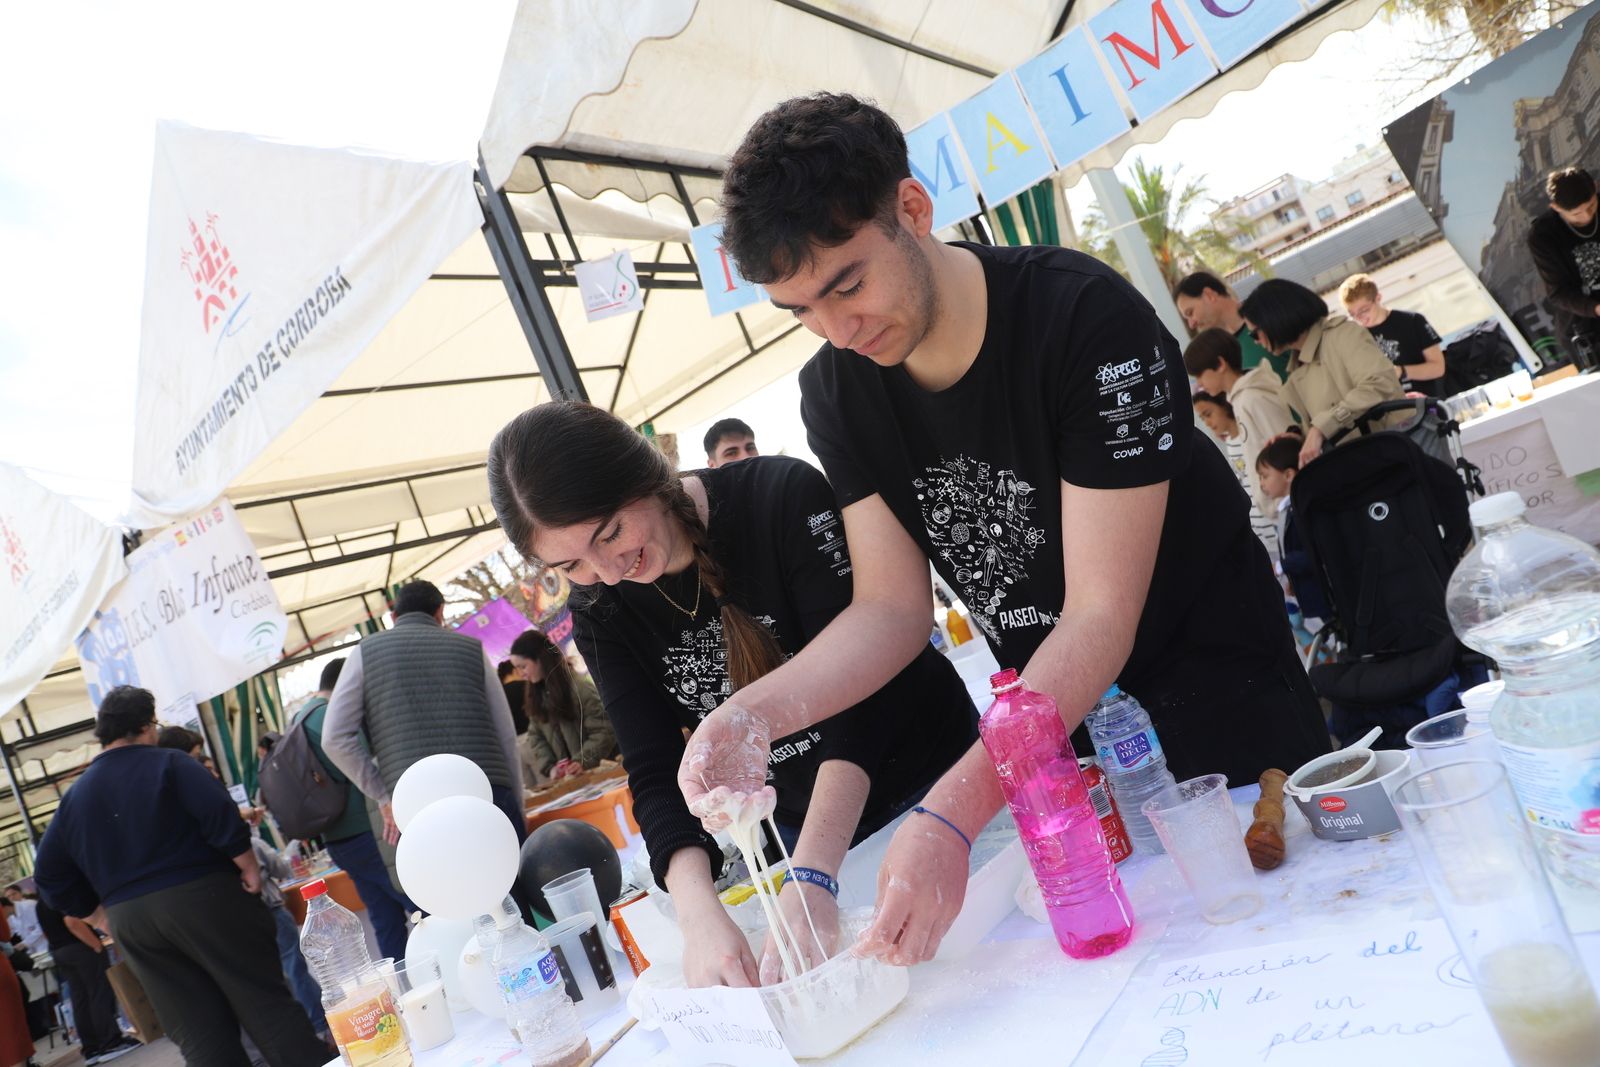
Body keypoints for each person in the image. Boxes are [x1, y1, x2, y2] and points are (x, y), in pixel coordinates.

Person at [676, 92, 1330, 966]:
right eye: (800, 311)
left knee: (1295, 945)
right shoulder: (835, 391)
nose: (838, 330)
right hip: (1064, 752)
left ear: (913, 209)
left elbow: (1099, 614)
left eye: (848, 285)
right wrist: (746, 714)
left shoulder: (1084, 319)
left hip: (1225, 713)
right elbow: (889, 611)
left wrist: (952, 811)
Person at [487, 402, 978, 985]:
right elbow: (653, 766)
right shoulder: (599, 608)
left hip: (937, 786)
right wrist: (698, 915)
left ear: (646, 476)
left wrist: (813, 872)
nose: (609, 573)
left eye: (612, 533)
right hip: (801, 833)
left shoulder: (779, 495)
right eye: (572, 564)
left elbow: (865, 697)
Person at [33, 686, 328, 1067]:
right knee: (265, 1006)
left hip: (130, 920)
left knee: (199, 1033)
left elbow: (49, 874)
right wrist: (249, 867)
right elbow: (219, 813)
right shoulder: (170, 763)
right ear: (145, 726)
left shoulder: (74, 798)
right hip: (203, 896)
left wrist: (100, 916)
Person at [323, 581, 525, 847]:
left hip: (417, 807)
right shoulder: (472, 649)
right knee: (511, 870)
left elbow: (333, 738)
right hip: (487, 791)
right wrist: (517, 803)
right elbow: (506, 735)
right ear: (440, 612)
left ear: (393, 616)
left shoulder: (364, 654)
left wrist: (383, 794)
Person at [292, 658, 415, 962]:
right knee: (420, 903)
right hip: (368, 832)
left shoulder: (298, 720)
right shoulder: (329, 716)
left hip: (337, 839)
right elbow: (361, 762)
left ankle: (400, 982)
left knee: (385, 919)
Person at [1238, 278, 1407, 468]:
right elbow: (1327, 424)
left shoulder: (1343, 334)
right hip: (1367, 466)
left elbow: (1379, 383)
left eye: (1254, 334)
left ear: (1275, 320)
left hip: (1397, 458)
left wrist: (1320, 428)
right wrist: (1299, 437)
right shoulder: (1297, 368)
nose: (1255, 341)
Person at [1184, 328, 1293, 515]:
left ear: (1220, 364)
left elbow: (1286, 449)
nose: (1199, 384)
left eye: (1200, 375)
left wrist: (1284, 504)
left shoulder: (1252, 398)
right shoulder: (1240, 400)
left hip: (1288, 505)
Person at [244, 812, 324, 1037]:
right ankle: (321, 1025)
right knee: (295, 968)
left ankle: (315, 1021)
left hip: (244, 921)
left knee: (283, 974)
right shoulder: (252, 844)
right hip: (271, 909)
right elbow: (282, 869)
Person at [33, 896, 138, 1064]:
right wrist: (96, 944)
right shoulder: (59, 894)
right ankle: (110, 1042)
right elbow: (72, 922)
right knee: (98, 993)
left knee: (80, 999)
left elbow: (47, 932)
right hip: (80, 947)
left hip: (60, 951)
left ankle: (91, 1047)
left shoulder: (41, 904)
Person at [507, 630, 618, 781]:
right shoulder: (536, 696)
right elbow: (536, 737)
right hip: (573, 781)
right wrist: (551, 767)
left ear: (540, 659)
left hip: (604, 774)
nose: (521, 674)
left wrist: (582, 761)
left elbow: (604, 730)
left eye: (523, 666)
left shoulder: (580, 688)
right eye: (517, 668)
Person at [1528, 166, 1600, 364]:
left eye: (1591, 206)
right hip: (1586, 329)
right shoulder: (1542, 235)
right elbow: (1558, 292)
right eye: (1576, 214)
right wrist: (1595, 308)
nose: (1586, 216)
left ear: (1596, 188)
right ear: (1556, 208)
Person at [1338, 274, 1446, 397]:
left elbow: (1438, 368)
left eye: (1364, 310)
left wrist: (1401, 371)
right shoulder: (1355, 338)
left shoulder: (1412, 321)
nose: (1359, 318)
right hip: (1389, 406)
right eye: (1352, 314)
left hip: (1428, 401)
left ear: (1378, 298)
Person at [1173, 271, 1288, 381]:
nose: (1191, 324)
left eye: (1190, 313)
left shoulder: (1266, 315)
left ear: (1209, 295)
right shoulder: (1220, 355)